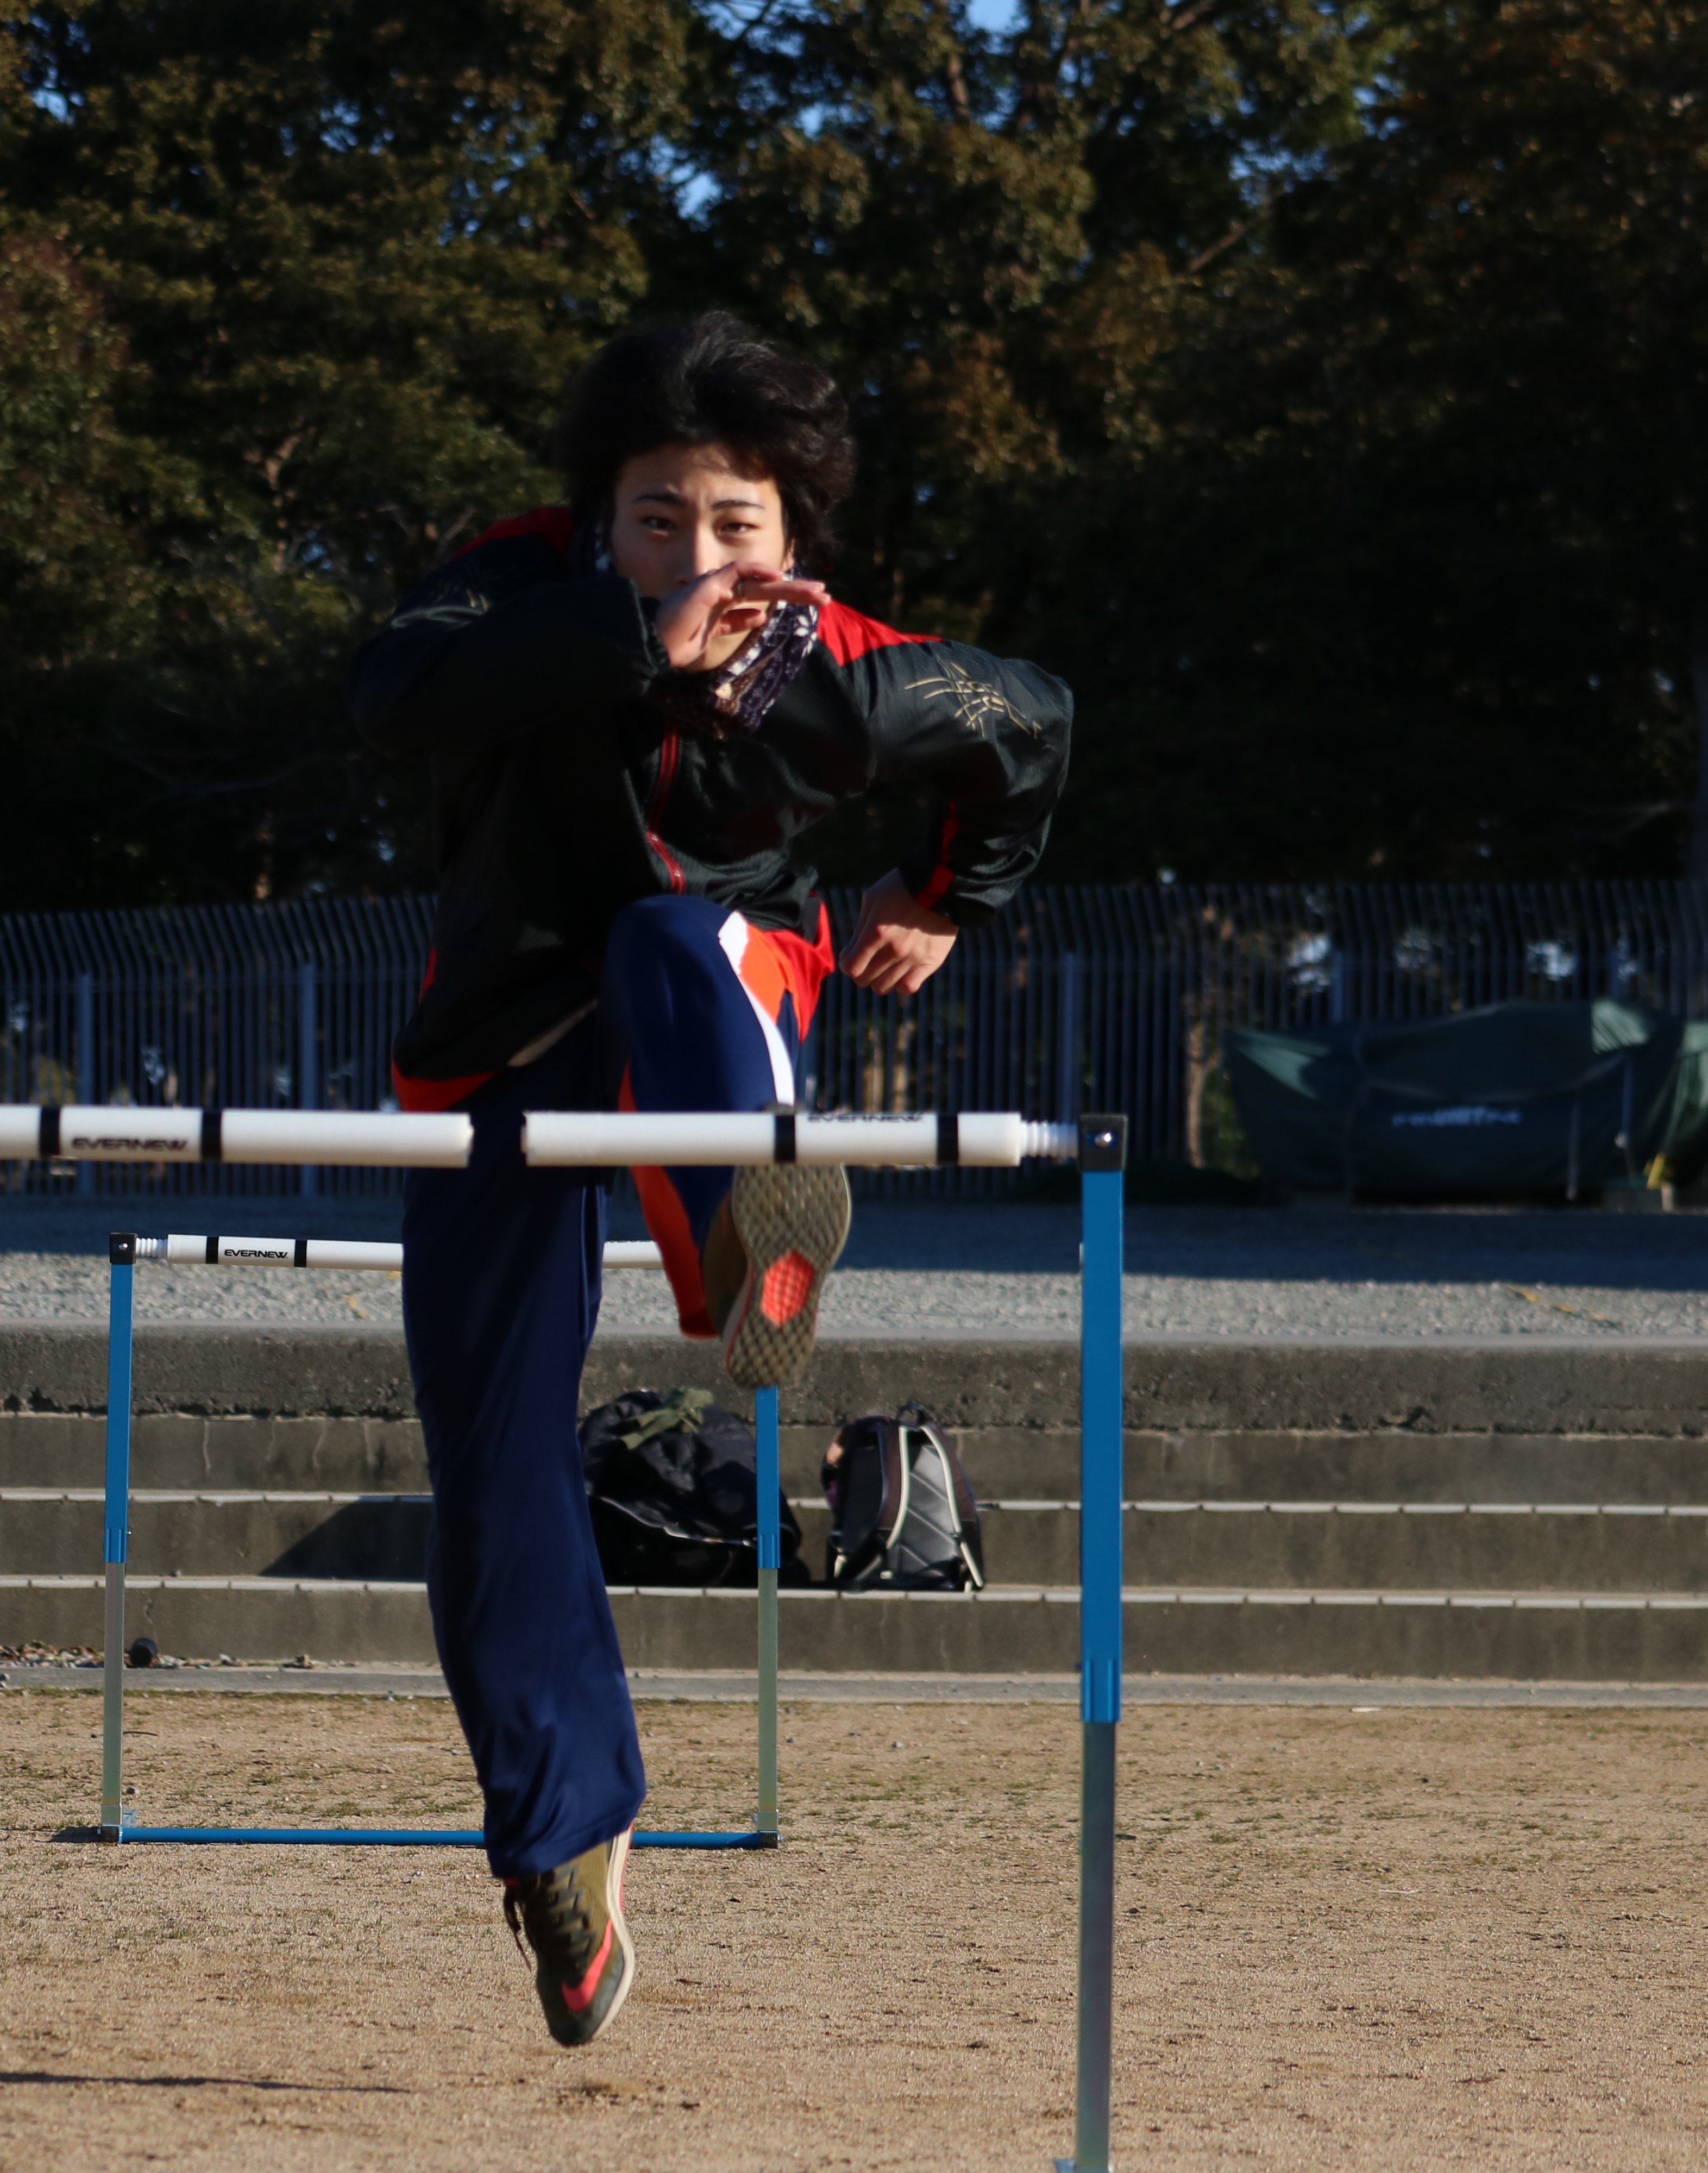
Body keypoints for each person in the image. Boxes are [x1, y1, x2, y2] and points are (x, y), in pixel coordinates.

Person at [350, 312, 1073, 2046]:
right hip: (503, 1036)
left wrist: (943, 897)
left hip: (713, 999)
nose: (701, 552)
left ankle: (746, 1245)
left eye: (735, 522)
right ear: (596, 516)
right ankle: (564, 1842)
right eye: (658, 515)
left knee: (680, 938)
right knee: (488, 1460)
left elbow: (1032, 724)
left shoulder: (849, 664)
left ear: (795, 530)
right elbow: (386, 701)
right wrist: (626, 633)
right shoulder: (507, 588)